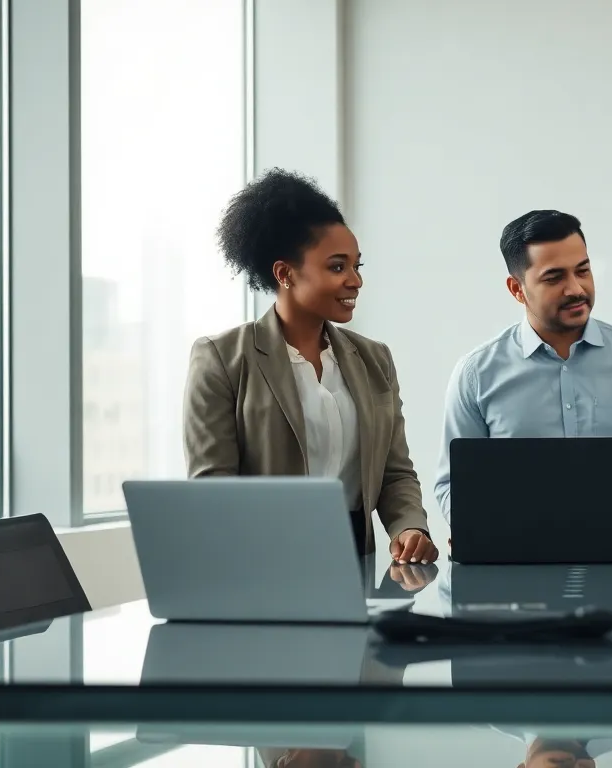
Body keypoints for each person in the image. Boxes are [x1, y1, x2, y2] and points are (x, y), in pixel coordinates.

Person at [183, 169, 438, 565]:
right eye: (337, 267)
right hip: (261, 559)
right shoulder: (221, 357)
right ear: (284, 274)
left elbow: (395, 473)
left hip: (358, 558)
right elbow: (212, 488)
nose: (355, 281)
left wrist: (410, 527)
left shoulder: (375, 359)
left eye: (358, 266)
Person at [433, 210, 612, 538]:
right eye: (554, 278)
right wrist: (486, 531)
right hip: (517, 571)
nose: (575, 289)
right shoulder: (476, 375)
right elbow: (451, 485)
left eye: (582, 271)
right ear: (517, 289)